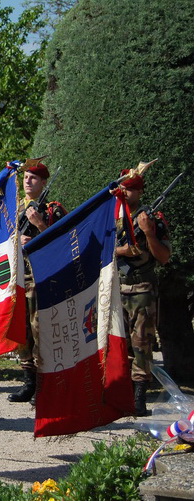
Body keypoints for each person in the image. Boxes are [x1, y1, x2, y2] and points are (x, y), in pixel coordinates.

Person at [8, 163, 66, 405]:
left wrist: (41, 226)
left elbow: (63, 242)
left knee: (40, 330)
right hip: (18, 276)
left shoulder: (53, 209)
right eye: (26, 177)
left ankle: (45, 383)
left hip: (41, 277)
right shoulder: (15, 207)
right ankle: (29, 381)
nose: (28, 181)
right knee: (21, 333)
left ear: (43, 183)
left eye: (34, 178)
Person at [115, 169, 171, 416]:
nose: (125, 193)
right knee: (119, 342)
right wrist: (120, 251)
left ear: (139, 191)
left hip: (141, 289)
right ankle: (120, 392)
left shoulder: (152, 218)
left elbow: (164, 257)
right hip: (116, 287)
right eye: (122, 188)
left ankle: (139, 398)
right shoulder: (112, 217)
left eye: (130, 188)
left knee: (141, 344)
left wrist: (147, 231)